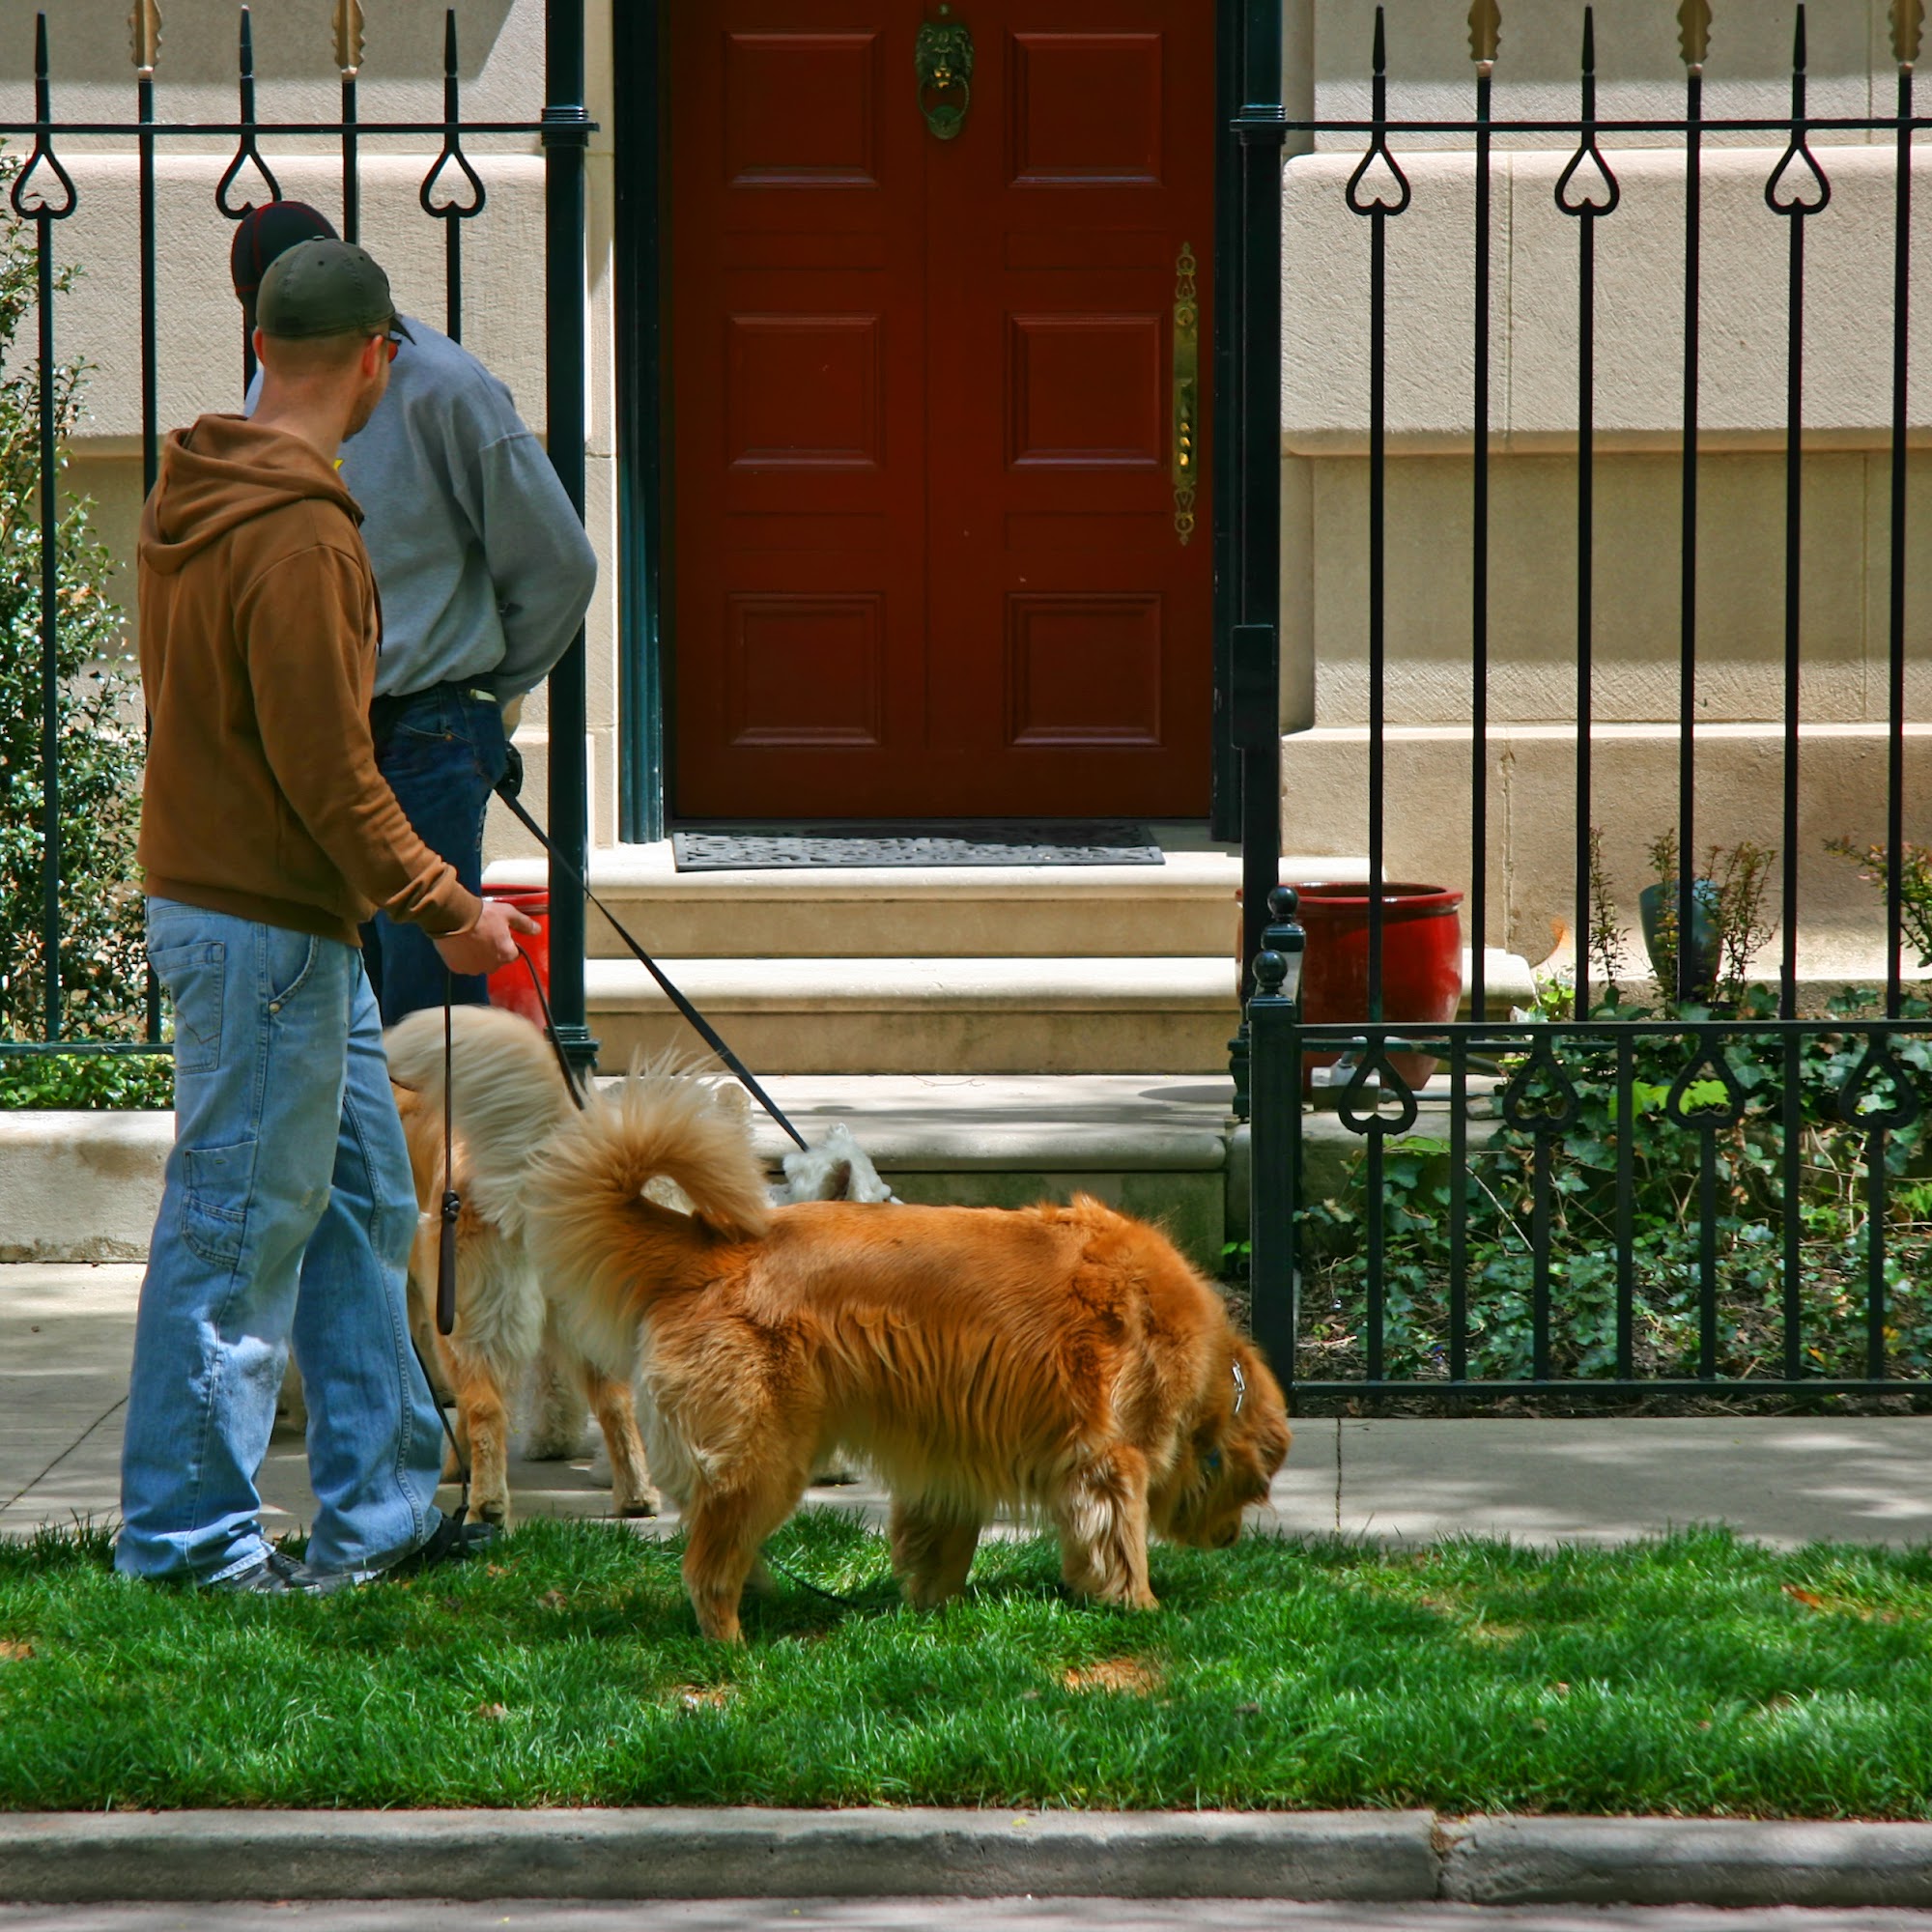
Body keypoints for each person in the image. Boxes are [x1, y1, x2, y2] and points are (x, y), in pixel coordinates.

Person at [117, 239, 538, 1595]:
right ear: (375, 359)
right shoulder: (300, 530)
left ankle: (381, 1514)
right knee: (235, 1232)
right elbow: (327, 768)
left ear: (258, 347)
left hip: (277, 924)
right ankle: (186, 1547)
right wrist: (449, 907)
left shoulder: (198, 486)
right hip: (267, 934)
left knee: (362, 1209)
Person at [231, 202, 597, 1026]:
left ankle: (441, 1161)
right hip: (330, 728)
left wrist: (483, 692)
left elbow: (560, 564)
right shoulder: (270, 386)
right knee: (338, 1005)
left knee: (428, 1018)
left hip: (430, 727)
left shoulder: (449, 387)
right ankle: (385, 1161)